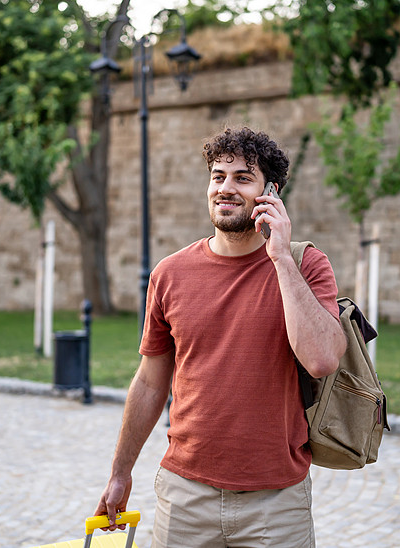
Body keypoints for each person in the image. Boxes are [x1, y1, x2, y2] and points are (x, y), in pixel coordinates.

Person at [94, 126, 346, 547]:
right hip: (184, 496)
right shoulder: (169, 274)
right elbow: (150, 381)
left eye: (242, 178)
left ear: (272, 193)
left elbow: (322, 359)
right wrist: (121, 473)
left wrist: (280, 257)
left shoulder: (306, 265)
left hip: (277, 503)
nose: (226, 188)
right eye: (217, 176)